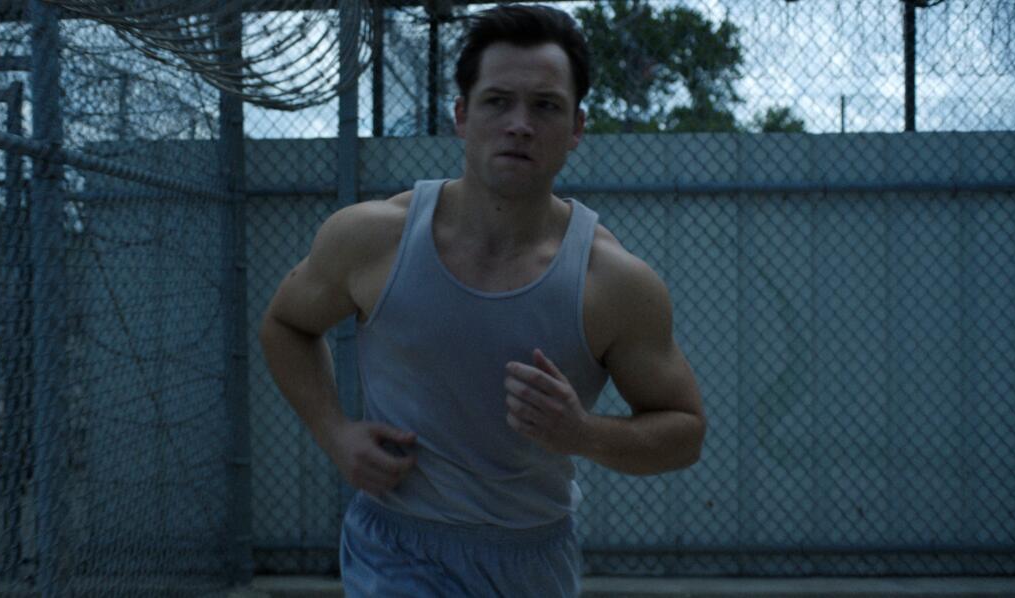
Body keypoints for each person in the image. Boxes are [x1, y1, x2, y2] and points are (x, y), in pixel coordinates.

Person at [259, 4, 706, 596]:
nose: (520, 123)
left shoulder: (614, 283)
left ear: (576, 128)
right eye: (498, 101)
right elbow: (285, 325)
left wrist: (582, 433)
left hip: (532, 557)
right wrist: (335, 432)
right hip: (395, 546)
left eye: (545, 106)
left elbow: (685, 431)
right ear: (462, 117)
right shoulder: (372, 238)